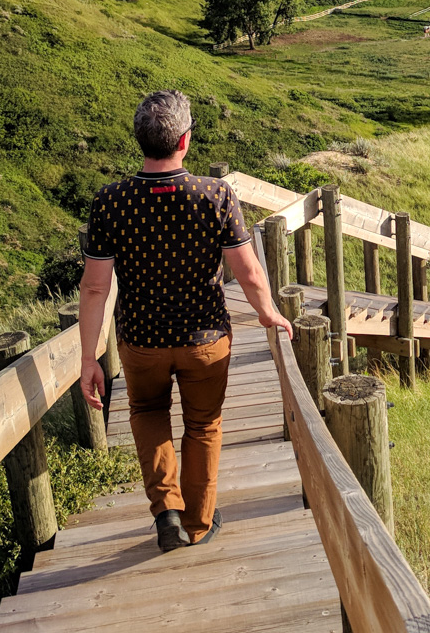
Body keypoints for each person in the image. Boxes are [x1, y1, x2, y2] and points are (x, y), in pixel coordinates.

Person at [77, 90, 293, 552]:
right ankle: (198, 522)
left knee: (147, 414)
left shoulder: (110, 201)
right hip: (205, 338)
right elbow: (248, 270)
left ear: (141, 140)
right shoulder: (214, 195)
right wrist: (267, 312)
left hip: (140, 342)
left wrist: (89, 356)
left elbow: (95, 287)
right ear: (185, 140)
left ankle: (167, 511)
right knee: (203, 424)